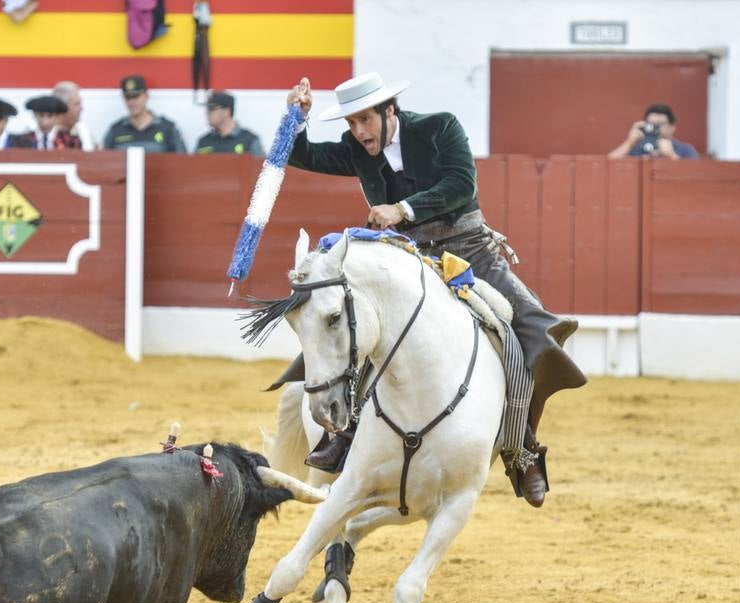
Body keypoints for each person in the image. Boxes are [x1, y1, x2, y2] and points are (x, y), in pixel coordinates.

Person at [284, 73, 586, 507]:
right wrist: (297, 117)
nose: (359, 132)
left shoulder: (440, 127)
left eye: (365, 120)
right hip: (407, 258)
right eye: (351, 124)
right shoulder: (356, 148)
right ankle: (345, 432)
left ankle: (522, 447)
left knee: (535, 332)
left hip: (470, 252)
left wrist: (401, 208)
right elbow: (303, 154)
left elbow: (462, 184)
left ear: (390, 111)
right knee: (347, 325)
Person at [102, 75, 186, 153]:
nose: (132, 102)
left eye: (136, 96)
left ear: (146, 96)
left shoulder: (167, 128)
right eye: (128, 97)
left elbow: (182, 160)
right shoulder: (115, 130)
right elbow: (103, 162)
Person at [608, 104, 699, 159]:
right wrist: (629, 143)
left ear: (672, 127)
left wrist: (672, 156)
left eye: (660, 124)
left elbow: (694, 178)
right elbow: (607, 167)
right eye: (651, 124)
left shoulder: (686, 150)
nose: (655, 128)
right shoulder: (638, 148)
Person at [194, 91, 264, 155]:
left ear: (226, 111)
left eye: (212, 109)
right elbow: (193, 167)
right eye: (207, 109)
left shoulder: (249, 140)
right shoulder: (203, 142)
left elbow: (261, 167)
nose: (207, 113)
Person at [12, 95, 80, 149]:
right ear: (34, 115)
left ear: (57, 117)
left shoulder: (70, 141)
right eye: (41, 115)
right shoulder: (22, 141)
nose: (45, 122)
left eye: (50, 116)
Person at [52, 81, 96, 150]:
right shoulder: (44, 134)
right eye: (77, 104)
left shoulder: (84, 131)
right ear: (62, 106)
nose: (81, 108)